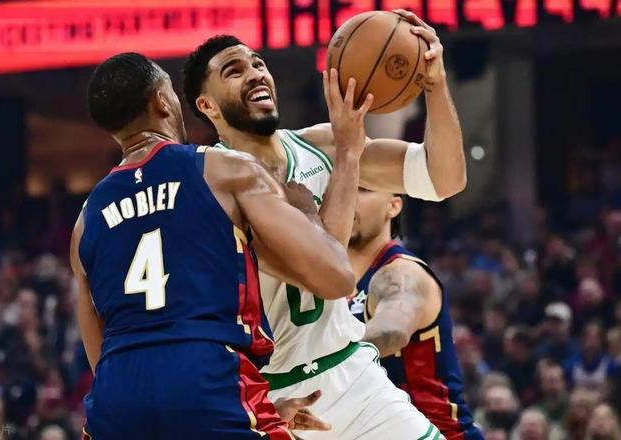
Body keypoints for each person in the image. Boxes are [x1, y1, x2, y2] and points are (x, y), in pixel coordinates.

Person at [181, 9, 464, 439]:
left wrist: (436, 85)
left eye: (258, 63)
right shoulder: (213, 187)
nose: (255, 73)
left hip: (353, 373)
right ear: (206, 105)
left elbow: (444, 177)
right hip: (275, 399)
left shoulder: (320, 145)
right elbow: (324, 274)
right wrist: (349, 152)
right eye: (234, 71)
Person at [72, 52, 360, 439]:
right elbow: (336, 277)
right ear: (162, 101)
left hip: (117, 398)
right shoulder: (224, 170)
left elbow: (98, 347)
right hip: (208, 377)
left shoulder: (85, 219)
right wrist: (307, 211)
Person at [348, 189, 481, 440]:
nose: (347, 196)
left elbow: (392, 331)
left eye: (363, 190)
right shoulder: (326, 284)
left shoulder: (401, 273)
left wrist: (320, 358)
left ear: (393, 206)